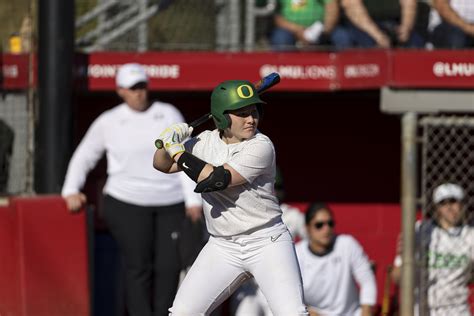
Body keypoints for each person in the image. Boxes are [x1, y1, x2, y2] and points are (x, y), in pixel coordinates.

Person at [153, 79, 308, 315]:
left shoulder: (261, 146)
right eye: (241, 113)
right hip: (223, 245)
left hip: (267, 241)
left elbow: (216, 180)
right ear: (222, 118)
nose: (251, 119)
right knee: (182, 313)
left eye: (254, 111)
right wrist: (166, 144)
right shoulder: (204, 141)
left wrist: (178, 150)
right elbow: (162, 166)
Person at [61, 63, 202, 316]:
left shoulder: (168, 113)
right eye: (133, 88)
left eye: (142, 86)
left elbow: (184, 155)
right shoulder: (109, 121)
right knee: (138, 266)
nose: (139, 93)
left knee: (169, 267)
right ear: (121, 91)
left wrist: (193, 200)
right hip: (127, 202)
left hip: (169, 202)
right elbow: (85, 156)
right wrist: (70, 189)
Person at [229, 167, 307, 316]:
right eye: (268, 186)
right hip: (250, 286)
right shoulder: (243, 214)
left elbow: (313, 244)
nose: (272, 191)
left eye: (276, 187)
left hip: (279, 283)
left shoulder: (292, 215)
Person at [391, 183, 474, 315]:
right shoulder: (421, 230)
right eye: (443, 203)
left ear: (462, 205)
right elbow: (396, 277)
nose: (449, 207)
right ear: (436, 208)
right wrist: (405, 256)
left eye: (453, 202)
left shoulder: (470, 235)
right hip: (423, 308)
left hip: (457, 309)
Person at [296, 202, 377, 316]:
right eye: (319, 225)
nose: (326, 228)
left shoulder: (347, 245)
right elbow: (288, 294)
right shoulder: (297, 254)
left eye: (330, 223)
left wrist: (366, 310)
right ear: (307, 228)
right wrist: (307, 311)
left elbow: (367, 280)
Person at [339, 0, 425, 48]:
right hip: (363, 25)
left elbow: (409, 3)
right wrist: (378, 36)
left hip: (394, 22)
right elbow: (351, 7)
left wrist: (406, 27)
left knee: (415, 43)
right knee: (371, 47)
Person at [270, 0, 351, 51]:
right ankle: (284, 72)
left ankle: (342, 74)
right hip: (290, 29)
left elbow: (332, 7)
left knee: (342, 36)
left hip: (321, 28)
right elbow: (277, 17)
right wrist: (298, 30)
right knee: (280, 38)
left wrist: (324, 30)